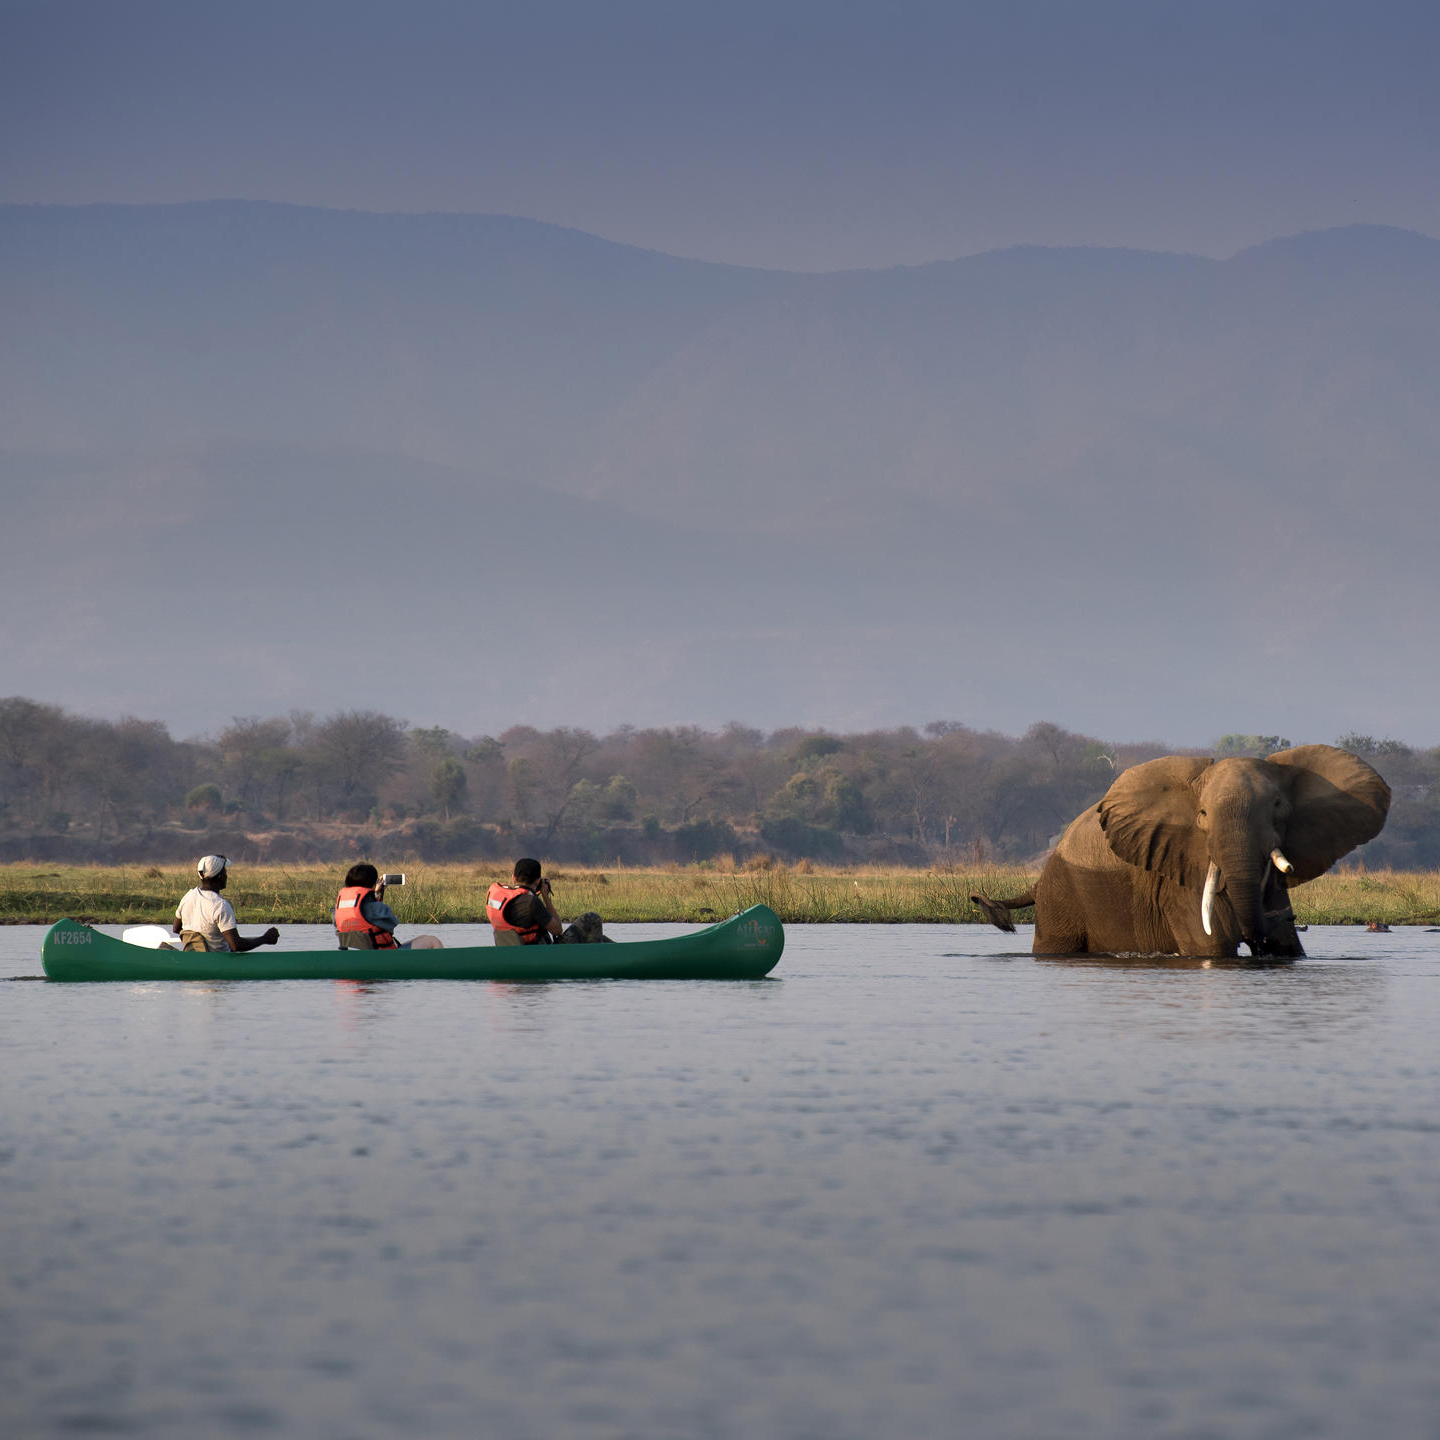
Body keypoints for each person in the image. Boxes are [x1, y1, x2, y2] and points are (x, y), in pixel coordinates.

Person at [172, 855, 280, 953]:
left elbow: (176, 929)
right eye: (224, 872)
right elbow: (236, 946)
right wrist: (264, 939)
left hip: (193, 956)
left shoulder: (188, 896)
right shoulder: (221, 905)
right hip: (217, 961)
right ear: (219, 876)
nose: (226, 875)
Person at [487, 858, 564, 946]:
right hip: (535, 954)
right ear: (538, 880)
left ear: (513, 878)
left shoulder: (501, 897)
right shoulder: (531, 903)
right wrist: (546, 897)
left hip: (508, 951)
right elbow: (557, 930)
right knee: (583, 921)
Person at [334, 863, 401, 949]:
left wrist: (375, 894)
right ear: (373, 883)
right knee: (423, 940)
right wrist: (377, 894)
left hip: (355, 956)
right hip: (381, 954)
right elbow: (392, 924)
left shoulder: (338, 907)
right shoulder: (374, 908)